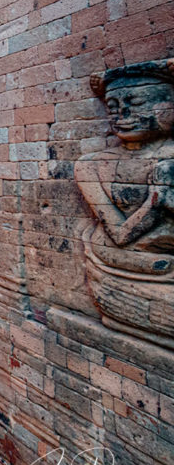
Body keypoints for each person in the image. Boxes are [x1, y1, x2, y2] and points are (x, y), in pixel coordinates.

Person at [75, 59, 174, 345]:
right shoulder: (92, 165)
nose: (122, 114)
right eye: (113, 107)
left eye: (137, 102)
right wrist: (156, 200)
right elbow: (118, 234)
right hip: (124, 262)